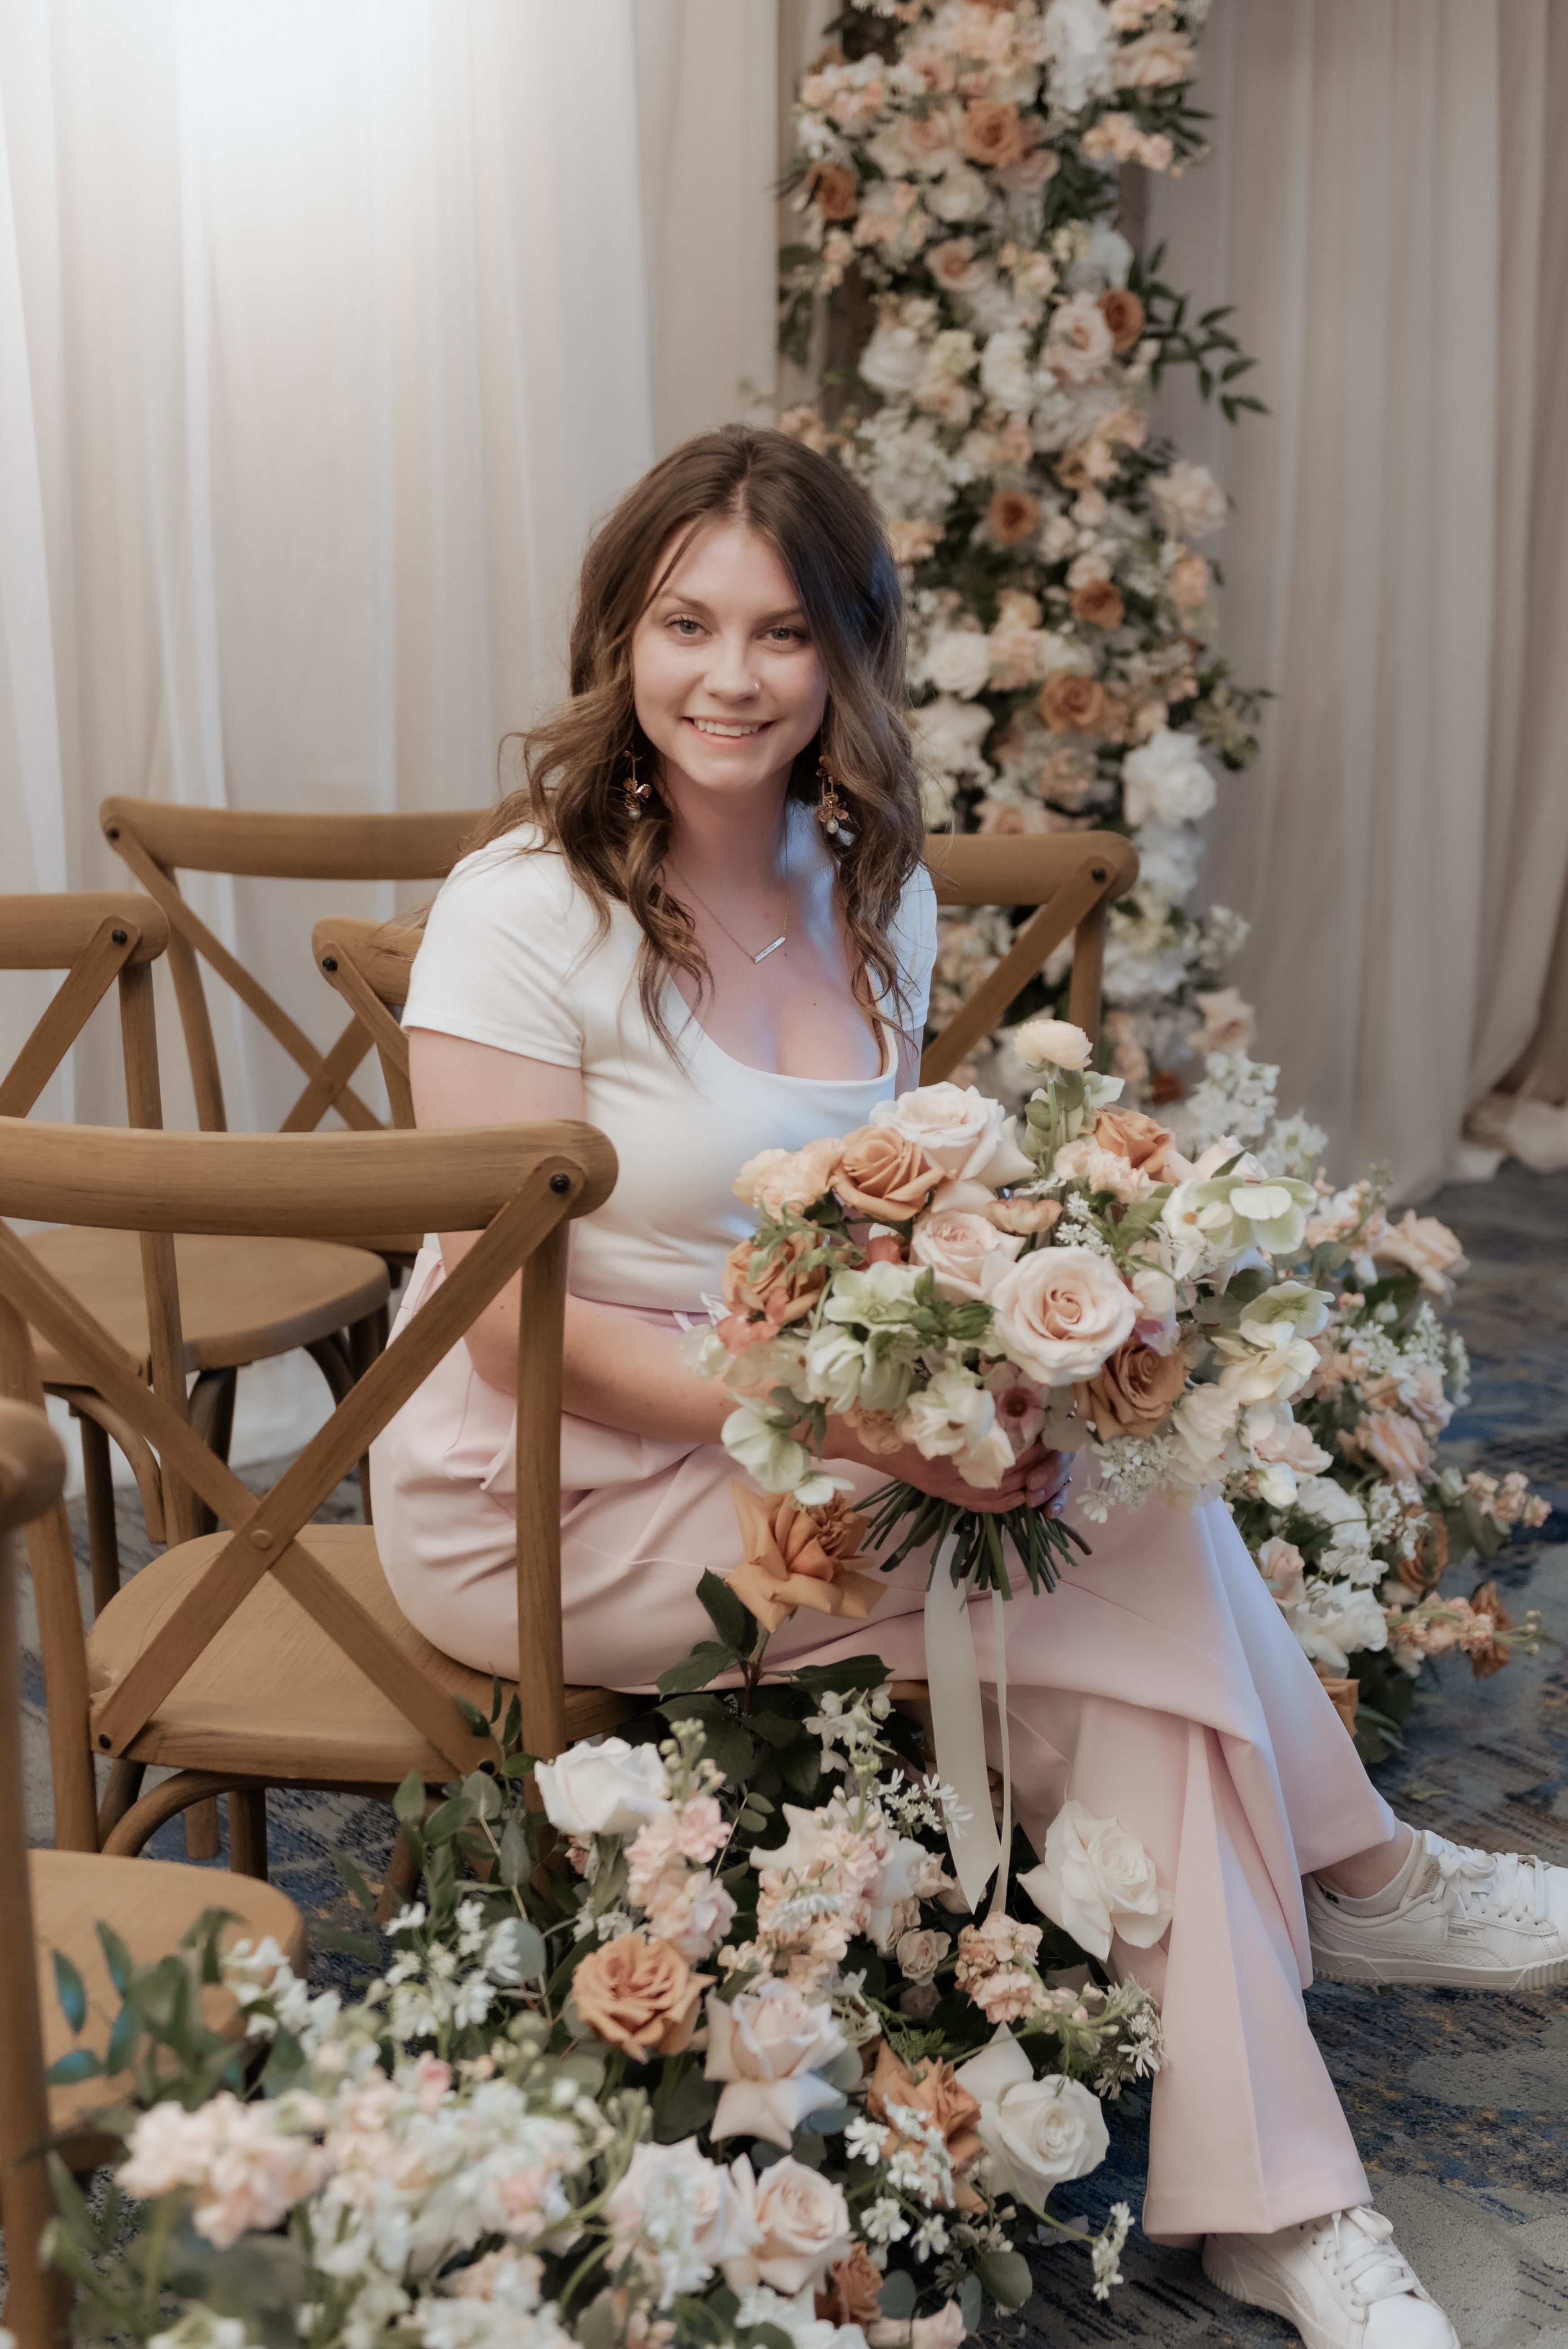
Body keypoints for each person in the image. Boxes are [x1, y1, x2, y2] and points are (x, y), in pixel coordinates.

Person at [371, 426, 1566, 2349]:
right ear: (619, 636)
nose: (729, 676)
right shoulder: (523, 907)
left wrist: (985, 1357)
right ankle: (1356, 1885)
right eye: (685, 624)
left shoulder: (876, 882)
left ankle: (1285, 2196)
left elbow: (871, 1210)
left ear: (848, 653)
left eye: (780, 632)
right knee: (1112, 1541)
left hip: (790, 1424)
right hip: (541, 1478)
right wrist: (851, 1425)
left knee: (1091, 1533)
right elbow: (504, 1327)